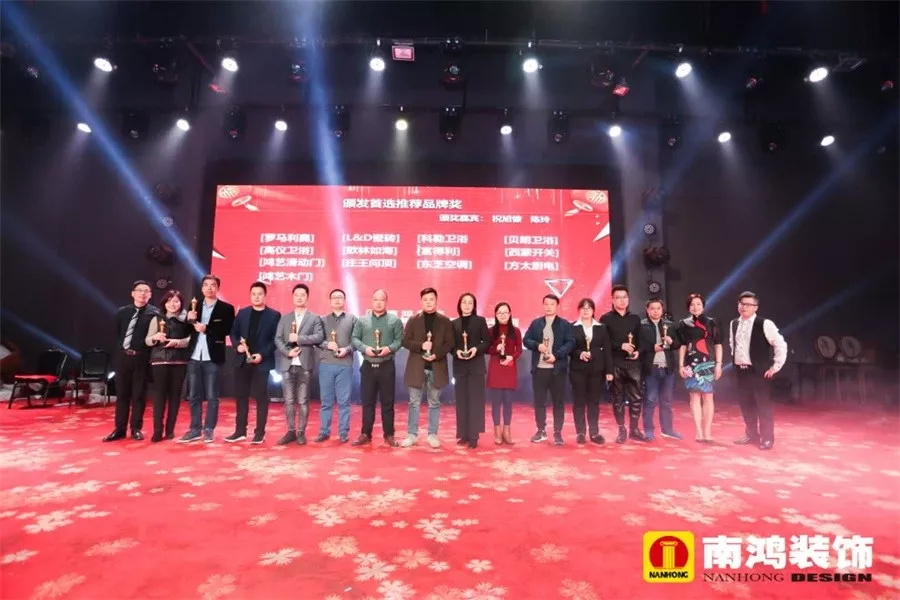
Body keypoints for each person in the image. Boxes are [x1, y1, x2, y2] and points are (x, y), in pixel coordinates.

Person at [179, 274, 235, 444]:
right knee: (193, 395)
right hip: (194, 356)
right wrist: (188, 320)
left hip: (212, 357)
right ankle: (195, 429)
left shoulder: (226, 308)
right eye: (206, 285)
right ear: (202, 288)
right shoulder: (194, 306)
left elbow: (227, 330)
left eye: (213, 285)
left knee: (212, 396)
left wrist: (207, 328)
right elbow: (186, 331)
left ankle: (209, 429)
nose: (209, 288)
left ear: (218, 288)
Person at [729, 291, 788, 451]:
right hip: (741, 371)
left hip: (759, 372)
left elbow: (780, 344)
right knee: (746, 405)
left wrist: (775, 367)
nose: (744, 307)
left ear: (756, 307)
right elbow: (733, 345)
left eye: (748, 304)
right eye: (742, 304)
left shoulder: (765, 324)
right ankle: (751, 434)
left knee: (763, 406)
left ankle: (767, 438)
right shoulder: (734, 323)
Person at [103, 280, 160, 442]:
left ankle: (136, 428)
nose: (143, 293)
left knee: (139, 395)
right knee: (122, 394)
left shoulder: (154, 314)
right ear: (133, 293)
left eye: (146, 291)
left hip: (142, 357)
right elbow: (117, 333)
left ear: (150, 295)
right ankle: (119, 429)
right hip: (123, 357)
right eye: (140, 290)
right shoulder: (122, 312)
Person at [226, 281, 280, 444]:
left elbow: (275, 340)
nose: (256, 297)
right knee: (241, 396)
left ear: (265, 296)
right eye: (254, 294)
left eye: (260, 294)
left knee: (261, 397)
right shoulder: (242, 313)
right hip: (242, 361)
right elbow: (233, 333)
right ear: (250, 296)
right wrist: (237, 346)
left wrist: (262, 355)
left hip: (262, 362)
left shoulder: (274, 315)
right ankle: (240, 431)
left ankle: (259, 432)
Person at [400, 287, 453, 448]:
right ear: (421, 301)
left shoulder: (445, 321)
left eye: (431, 299)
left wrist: (436, 354)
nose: (428, 302)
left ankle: (432, 435)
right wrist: (421, 346)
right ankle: (412, 435)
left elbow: (450, 343)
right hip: (417, 368)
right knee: (413, 403)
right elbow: (405, 341)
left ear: (436, 301)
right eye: (425, 299)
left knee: (434, 403)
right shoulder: (413, 320)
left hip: (436, 367)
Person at [350, 289, 403, 447]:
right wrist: (365, 348)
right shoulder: (362, 320)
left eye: (382, 300)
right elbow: (354, 339)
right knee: (367, 402)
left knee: (388, 403)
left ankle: (389, 435)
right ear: (372, 301)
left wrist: (390, 348)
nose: (378, 303)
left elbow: (400, 340)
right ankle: (365, 434)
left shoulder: (394, 321)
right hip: (368, 366)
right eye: (376, 299)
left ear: (386, 302)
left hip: (386, 366)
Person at [274, 283, 324, 446]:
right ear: (293, 297)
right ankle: (290, 431)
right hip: (287, 363)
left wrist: (299, 339)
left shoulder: (314, 318)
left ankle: (301, 432)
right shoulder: (285, 318)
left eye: (303, 295)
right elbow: (278, 339)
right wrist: (287, 352)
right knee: (288, 400)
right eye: (296, 295)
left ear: (307, 297)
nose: (299, 297)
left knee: (302, 400)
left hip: (304, 364)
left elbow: (319, 337)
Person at [599, 285, 650, 444]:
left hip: (633, 363)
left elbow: (641, 341)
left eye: (624, 297)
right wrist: (620, 345)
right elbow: (604, 342)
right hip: (615, 362)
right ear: (613, 300)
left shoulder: (635, 318)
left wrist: (638, 351)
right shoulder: (605, 319)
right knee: (617, 398)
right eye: (618, 297)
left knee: (637, 397)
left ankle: (634, 429)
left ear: (628, 299)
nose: (622, 300)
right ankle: (622, 429)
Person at [523, 294, 575, 445]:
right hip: (539, 369)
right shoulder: (536, 323)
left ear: (557, 306)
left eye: (552, 304)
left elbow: (570, 343)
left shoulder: (564, 324)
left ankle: (557, 432)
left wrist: (556, 356)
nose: (549, 307)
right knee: (539, 402)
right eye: (546, 304)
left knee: (558, 402)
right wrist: (537, 345)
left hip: (557, 370)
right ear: (543, 305)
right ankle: (541, 430)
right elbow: (526, 340)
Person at [144, 289, 191, 442]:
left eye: (176, 301)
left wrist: (178, 342)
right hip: (160, 361)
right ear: (164, 303)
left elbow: (191, 339)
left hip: (179, 361)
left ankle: (170, 430)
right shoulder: (156, 319)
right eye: (169, 301)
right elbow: (147, 340)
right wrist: (155, 337)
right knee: (159, 396)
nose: (173, 304)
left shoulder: (187, 320)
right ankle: (157, 430)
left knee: (175, 396)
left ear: (181, 303)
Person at [677, 293, 724, 443]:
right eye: (692, 304)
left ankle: (707, 432)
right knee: (694, 397)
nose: (695, 307)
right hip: (691, 364)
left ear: (703, 306)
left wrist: (719, 364)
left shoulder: (712, 322)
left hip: (708, 363)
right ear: (688, 307)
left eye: (698, 304)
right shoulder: (683, 323)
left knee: (708, 397)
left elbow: (718, 344)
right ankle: (698, 431)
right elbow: (683, 345)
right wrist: (681, 365)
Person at [315, 288, 358, 444]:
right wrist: (327, 344)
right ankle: (324, 431)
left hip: (345, 365)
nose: (337, 300)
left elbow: (357, 341)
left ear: (344, 300)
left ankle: (343, 432)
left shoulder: (353, 319)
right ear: (330, 301)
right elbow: (317, 340)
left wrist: (347, 349)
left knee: (344, 402)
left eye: (340, 297)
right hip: (326, 364)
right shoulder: (322, 320)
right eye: (334, 297)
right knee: (326, 401)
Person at [569, 298, 614, 444]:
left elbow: (607, 350)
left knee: (594, 401)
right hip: (577, 369)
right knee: (579, 401)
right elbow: (569, 348)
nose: (586, 310)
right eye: (583, 307)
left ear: (593, 310)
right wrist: (579, 353)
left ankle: (594, 433)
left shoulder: (601, 327)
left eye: (589, 308)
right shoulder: (572, 327)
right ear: (579, 310)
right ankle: (580, 432)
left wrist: (609, 371)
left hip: (597, 369)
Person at [640, 298, 683, 441]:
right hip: (651, 368)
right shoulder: (642, 325)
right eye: (652, 308)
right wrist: (651, 348)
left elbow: (678, 344)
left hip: (667, 368)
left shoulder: (670, 325)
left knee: (667, 401)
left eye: (658, 308)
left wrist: (672, 341)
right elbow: (639, 345)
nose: (655, 311)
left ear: (662, 309)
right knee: (650, 401)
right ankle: (649, 431)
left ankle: (667, 430)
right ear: (647, 310)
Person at [451, 293, 491, 448]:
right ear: (459, 305)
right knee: (461, 401)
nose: (467, 305)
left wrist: (476, 349)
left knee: (475, 401)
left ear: (474, 305)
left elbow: (486, 341)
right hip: (460, 367)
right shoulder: (454, 323)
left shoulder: (480, 321)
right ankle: (463, 434)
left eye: (470, 302)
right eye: (464, 302)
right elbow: (451, 345)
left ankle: (474, 436)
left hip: (476, 367)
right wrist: (457, 352)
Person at [486, 302, 522, 445]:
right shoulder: (491, 331)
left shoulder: (516, 331)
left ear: (510, 314)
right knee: (496, 402)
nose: (502, 315)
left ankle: (506, 430)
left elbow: (519, 350)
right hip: (496, 368)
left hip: (509, 368)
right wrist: (496, 348)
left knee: (508, 401)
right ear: (495, 315)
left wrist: (511, 357)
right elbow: (487, 349)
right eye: (499, 313)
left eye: (505, 312)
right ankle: (497, 430)